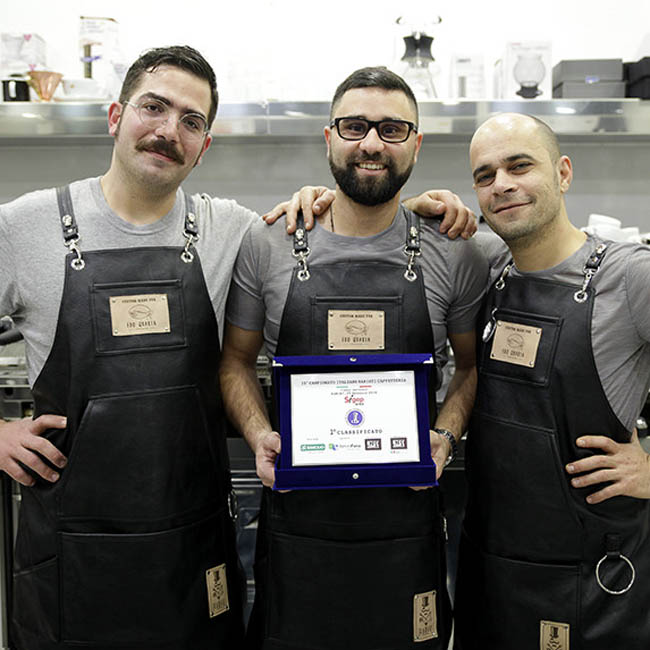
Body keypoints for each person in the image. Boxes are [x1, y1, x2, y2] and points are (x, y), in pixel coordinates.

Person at [0, 46, 475, 650]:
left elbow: (357, 208)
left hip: (194, 543)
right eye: (154, 107)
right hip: (72, 551)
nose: (170, 130)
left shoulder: (230, 228)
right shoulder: (26, 225)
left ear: (205, 144)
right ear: (116, 115)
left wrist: (408, 205)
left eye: (192, 121)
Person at [219, 66, 489, 650]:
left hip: (407, 531)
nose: (371, 143)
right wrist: (259, 432)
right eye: (354, 126)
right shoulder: (267, 242)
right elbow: (235, 363)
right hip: (298, 530)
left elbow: (470, 369)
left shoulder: (457, 251)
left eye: (392, 129)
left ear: (417, 144)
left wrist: (444, 434)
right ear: (328, 138)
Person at [451, 113, 650, 649]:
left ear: (563, 172)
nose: (503, 185)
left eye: (520, 166)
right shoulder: (491, 267)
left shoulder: (629, 277)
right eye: (485, 175)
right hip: (490, 572)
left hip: (591, 582)